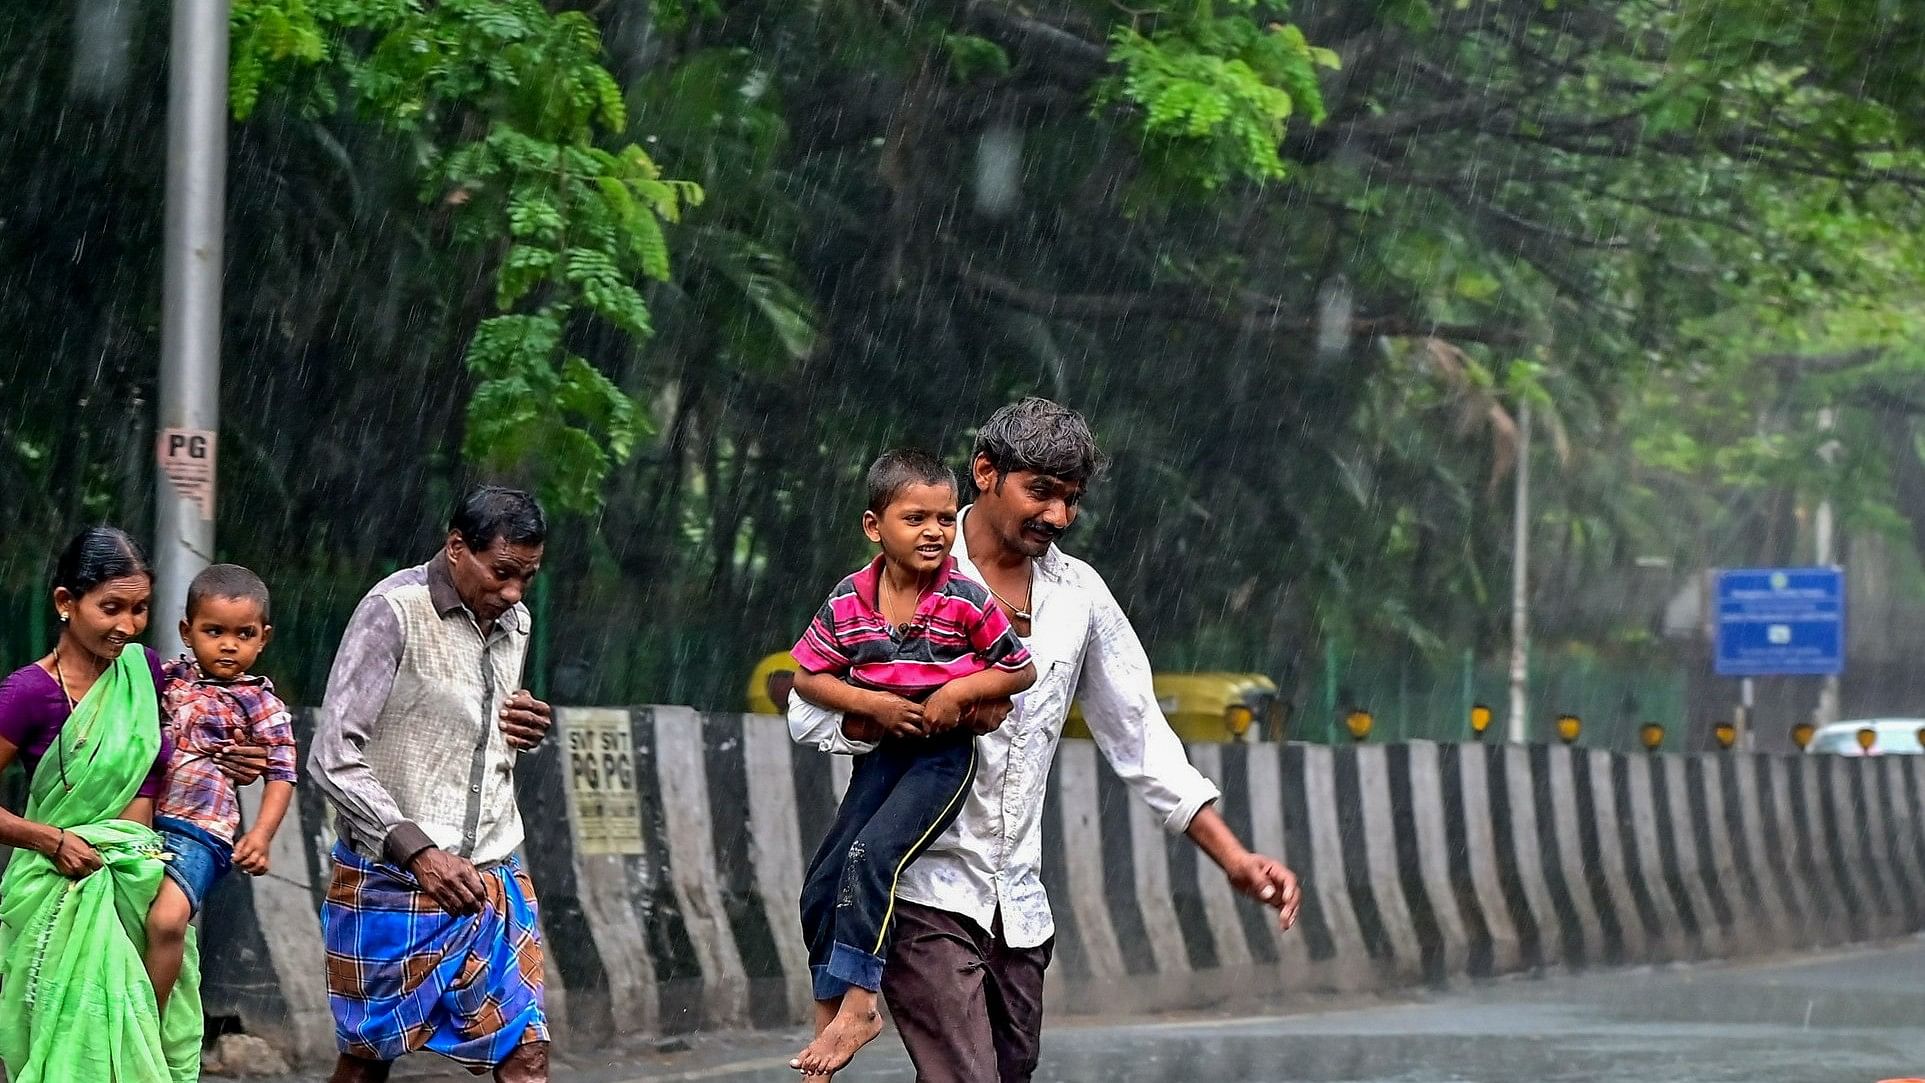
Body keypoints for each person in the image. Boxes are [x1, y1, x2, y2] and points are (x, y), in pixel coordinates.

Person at [791, 399, 1305, 1083]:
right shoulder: (904, 574)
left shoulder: (1080, 595)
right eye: (1039, 492)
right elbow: (808, 707)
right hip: (920, 886)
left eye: (1070, 499)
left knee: (1006, 1071)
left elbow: (1141, 735)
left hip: (1017, 906)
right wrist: (891, 714)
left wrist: (1233, 856)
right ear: (984, 472)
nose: (1056, 516)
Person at [787, 449, 1037, 1079]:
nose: (934, 531)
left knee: (873, 857)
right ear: (875, 526)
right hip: (883, 756)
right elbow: (808, 675)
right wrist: (869, 701)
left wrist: (957, 693)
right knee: (822, 879)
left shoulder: (963, 599)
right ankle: (828, 1009)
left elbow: (1019, 669)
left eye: (946, 518)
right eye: (915, 518)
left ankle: (863, 1003)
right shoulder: (850, 598)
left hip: (940, 759)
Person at [309, 485, 557, 1083]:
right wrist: (418, 852)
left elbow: (474, 729)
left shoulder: (515, 622)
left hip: (492, 873)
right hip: (391, 877)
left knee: (528, 1054)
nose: (514, 592)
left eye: (527, 576)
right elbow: (332, 754)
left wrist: (520, 725)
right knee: (367, 1060)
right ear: (455, 548)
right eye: (502, 573)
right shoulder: (393, 611)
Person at [0, 527, 199, 1081]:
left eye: (139, 610)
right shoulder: (29, 693)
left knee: (135, 1049)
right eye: (111, 608)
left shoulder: (144, 672)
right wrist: (52, 839)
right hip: (62, 892)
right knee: (69, 1051)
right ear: (66, 602)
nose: (127, 626)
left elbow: (180, 752)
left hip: (140, 887)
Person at [145, 563, 300, 1017]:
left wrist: (261, 836)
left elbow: (282, 772)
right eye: (214, 631)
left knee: (168, 919)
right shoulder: (168, 680)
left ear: (263, 637)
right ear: (186, 631)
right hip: (143, 822)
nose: (229, 645)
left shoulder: (262, 704)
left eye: (244, 634)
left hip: (203, 832)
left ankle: (147, 1019)